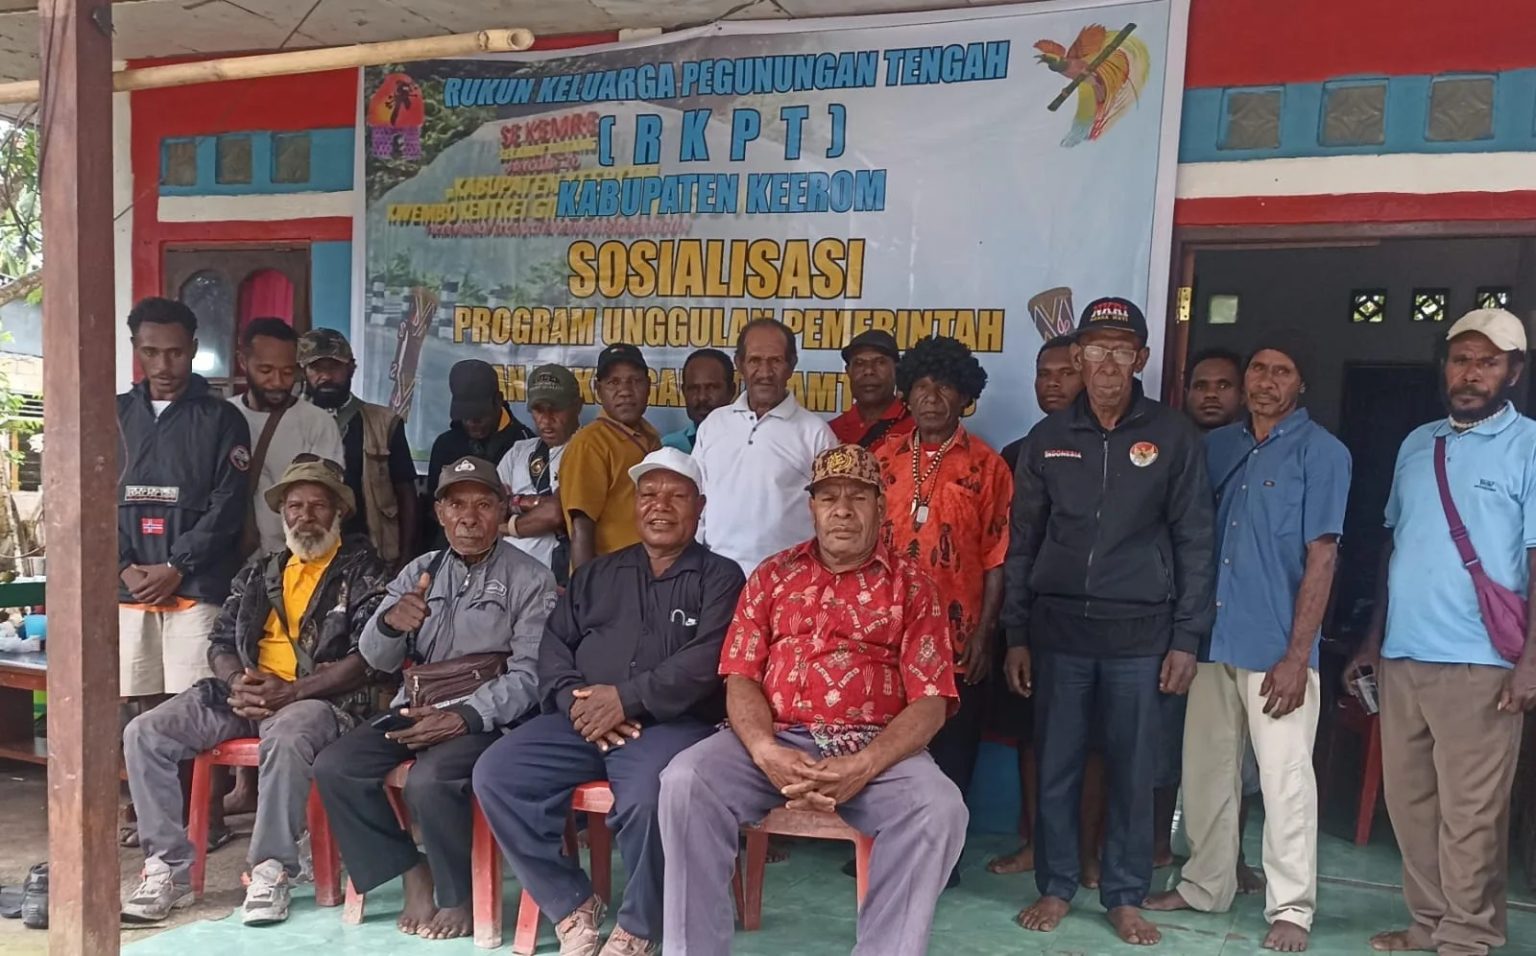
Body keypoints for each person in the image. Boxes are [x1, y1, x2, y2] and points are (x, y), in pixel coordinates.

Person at [659, 444, 968, 956]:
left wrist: (864, 764)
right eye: (829, 498)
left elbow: (931, 701)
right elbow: (740, 676)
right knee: (685, 781)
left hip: (874, 748)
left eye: (858, 498)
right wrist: (764, 750)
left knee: (938, 809)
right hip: (775, 739)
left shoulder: (914, 587)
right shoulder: (772, 575)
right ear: (812, 507)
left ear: (880, 506)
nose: (842, 510)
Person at [475, 448, 745, 956]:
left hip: (673, 724)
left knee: (650, 794)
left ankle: (640, 927)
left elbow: (708, 659)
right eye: (649, 495)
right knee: (498, 773)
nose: (660, 506)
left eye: (676, 496)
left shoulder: (721, 577)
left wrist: (626, 699)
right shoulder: (598, 574)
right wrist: (576, 703)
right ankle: (571, 904)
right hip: (583, 719)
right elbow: (555, 646)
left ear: (700, 506)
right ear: (635, 504)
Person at [1003, 297, 1214, 946]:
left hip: (1141, 636)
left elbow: (1195, 540)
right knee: (1057, 766)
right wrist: (1016, 633)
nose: (1108, 364)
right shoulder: (1048, 438)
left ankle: (1124, 895)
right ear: (1078, 358)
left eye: (1122, 351)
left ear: (1141, 359)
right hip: (1059, 633)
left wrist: (1186, 638)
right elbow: (1023, 542)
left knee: (1132, 769)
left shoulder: (1174, 436)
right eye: (1095, 351)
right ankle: (1057, 884)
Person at [1145, 338, 1351, 953]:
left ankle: (1291, 907)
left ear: (1301, 384)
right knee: (1206, 773)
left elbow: (1322, 557)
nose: (1266, 381)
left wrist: (1297, 657)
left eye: (1281, 371)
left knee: (1286, 783)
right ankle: (1206, 885)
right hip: (1212, 640)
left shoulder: (1323, 452)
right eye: (1258, 369)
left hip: (1276, 649)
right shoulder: (1218, 448)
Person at [120, 458, 390, 926]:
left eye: (318, 506)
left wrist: (293, 691)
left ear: (339, 513)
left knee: (287, 735)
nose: (305, 516)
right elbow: (221, 641)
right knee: (145, 732)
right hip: (247, 694)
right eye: (294, 506)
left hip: (319, 701)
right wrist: (235, 682)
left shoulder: (366, 572)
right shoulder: (260, 571)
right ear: (282, 513)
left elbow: (368, 659)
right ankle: (167, 868)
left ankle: (271, 869)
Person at [1346, 308, 1536, 956]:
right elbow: (1395, 545)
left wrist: (1530, 662)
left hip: (1483, 662)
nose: (1471, 373)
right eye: (1461, 360)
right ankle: (1428, 924)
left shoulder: (1528, 446)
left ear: (1513, 372)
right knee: (1412, 805)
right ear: (1445, 367)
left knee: (1471, 814)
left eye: (1488, 362)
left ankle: (1468, 935)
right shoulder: (1417, 443)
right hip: (1404, 655)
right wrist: (1373, 641)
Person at [313, 456, 556, 942]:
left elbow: (530, 676)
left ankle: (458, 893)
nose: (469, 517)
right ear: (440, 512)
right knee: (335, 767)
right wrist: (389, 625)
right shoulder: (419, 571)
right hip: (417, 706)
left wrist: (464, 717)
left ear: (503, 510)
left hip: (489, 718)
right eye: (456, 505)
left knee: (430, 780)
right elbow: (376, 659)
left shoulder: (531, 578)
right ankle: (411, 870)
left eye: (483, 504)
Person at [873, 336, 1011, 876]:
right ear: (906, 393)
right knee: (887, 744)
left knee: (952, 750)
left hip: (958, 636)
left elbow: (997, 556)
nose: (931, 397)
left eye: (945, 387)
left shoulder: (988, 466)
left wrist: (985, 635)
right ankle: (882, 851)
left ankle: (941, 862)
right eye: (922, 386)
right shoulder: (881, 458)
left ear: (965, 397)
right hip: (886, 634)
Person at [1153, 345, 1263, 883]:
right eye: (1201, 385)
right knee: (1161, 743)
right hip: (1165, 620)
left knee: (1231, 755)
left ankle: (1229, 860)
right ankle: (1157, 847)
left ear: (1242, 393)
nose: (1211, 395)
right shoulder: (1164, 447)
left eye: (1224, 386)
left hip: (1231, 627)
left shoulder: (1259, 453)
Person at [118, 297, 252, 706]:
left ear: (193, 348)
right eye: (150, 352)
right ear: (135, 347)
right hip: (127, 590)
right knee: (131, 704)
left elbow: (228, 505)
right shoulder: (113, 415)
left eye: (175, 352)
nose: (163, 366)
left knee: (197, 705)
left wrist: (178, 566)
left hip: (197, 587)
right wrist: (122, 567)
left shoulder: (222, 418)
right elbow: (89, 503)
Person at [989, 334, 1087, 878]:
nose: (1053, 383)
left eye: (1065, 373)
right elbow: (1010, 546)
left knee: (1093, 740)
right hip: (1031, 614)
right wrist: (1012, 626)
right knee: (1031, 734)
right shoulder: (1017, 453)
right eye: (1044, 373)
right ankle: (1034, 843)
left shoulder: (1113, 447)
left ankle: (1086, 851)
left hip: (1093, 617)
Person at [694, 319, 836, 575]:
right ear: (739, 364)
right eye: (755, 361)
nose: (765, 372)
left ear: (791, 365)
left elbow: (830, 514)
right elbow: (696, 500)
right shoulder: (713, 424)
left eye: (775, 361)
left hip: (788, 579)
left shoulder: (815, 433)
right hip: (715, 577)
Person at [299, 328, 419, 569]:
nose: (326, 376)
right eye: (317, 368)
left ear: (351, 368)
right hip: (304, 556)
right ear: (303, 372)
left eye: (334, 367)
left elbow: (406, 494)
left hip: (371, 557)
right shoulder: (289, 421)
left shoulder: (384, 423)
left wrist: (405, 559)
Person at [228, 319, 344, 558]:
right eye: (265, 371)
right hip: (227, 557)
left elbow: (325, 497)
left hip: (292, 558)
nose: (278, 382)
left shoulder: (317, 423)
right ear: (243, 362)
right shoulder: (223, 416)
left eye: (288, 372)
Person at [560, 344, 662, 570]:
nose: (625, 391)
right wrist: (586, 587)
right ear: (598, 390)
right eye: (613, 383)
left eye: (635, 381)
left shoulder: (651, 436)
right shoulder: (590, 443)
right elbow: (581, 527)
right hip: (611, 576)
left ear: (648, 386)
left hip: (648, 573)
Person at [424, 359, 534, 547]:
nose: (471, 423)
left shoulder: (525, 445)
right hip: (451, 547)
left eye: (479, 416)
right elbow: (433, 506)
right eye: (465, 416)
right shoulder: (446, 444)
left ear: (498, 400)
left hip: (507, 548)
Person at [497, 364, 583, 587]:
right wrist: (534, 503)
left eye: (555, 409)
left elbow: (555, 513)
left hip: (558, 581)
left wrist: (508, 520)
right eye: (538, 410)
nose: (546, 419)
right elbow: (491, 508)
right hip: (508, 579)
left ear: (577, 406)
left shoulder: (588, 449)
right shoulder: (519, 451)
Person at [828, 329, 914, 449]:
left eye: (880, 362)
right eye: (859, 363)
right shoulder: (830, 431)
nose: (868, 371)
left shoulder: (917, 427)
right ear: (848, 371)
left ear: (896, 369)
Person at [662, 349, 735, 452]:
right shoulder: (668, 447)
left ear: (731, 391)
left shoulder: (747, 444)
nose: (702, 397)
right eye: (693, 388)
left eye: (712, 388)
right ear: (683, 391)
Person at [1184, 348, 1244, 431]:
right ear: (1187, 394)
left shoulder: (1258, 438)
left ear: (1242, 395)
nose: (1210, 394)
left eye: (1223, 386)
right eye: (1200, 387)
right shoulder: (1169, 437)